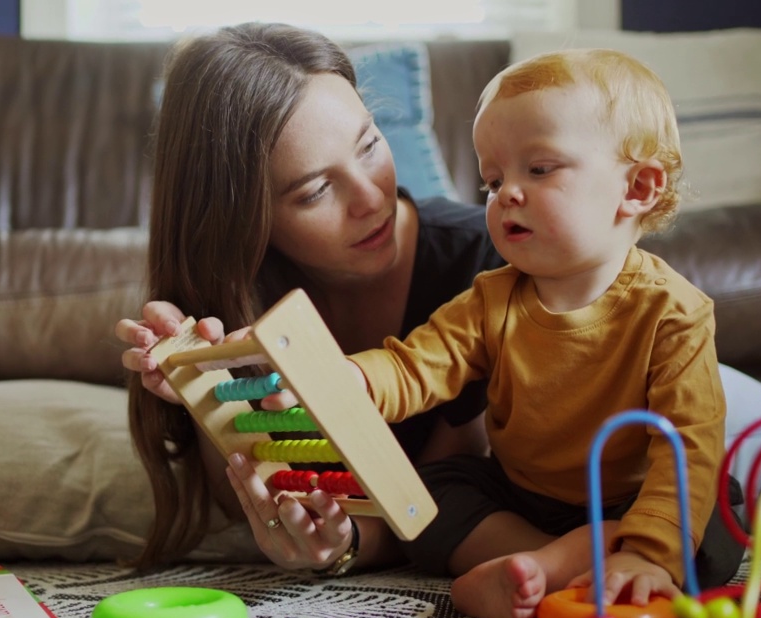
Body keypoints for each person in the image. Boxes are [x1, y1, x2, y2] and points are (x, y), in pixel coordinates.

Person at [310, 46, 743, 618]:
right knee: (428, 494)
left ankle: (579, 560)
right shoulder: (492, 298)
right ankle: (561, 560)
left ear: (637, 188)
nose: (507, 193)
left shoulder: (675, 313)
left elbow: (685, 445)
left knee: (713, 514)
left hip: (632, 499)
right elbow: (419, 364)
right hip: (523, 498)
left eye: (539, 170)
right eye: (493, 179)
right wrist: (353, 378)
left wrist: (650, 550)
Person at [117, 22, 503, 576]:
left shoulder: (487, 266)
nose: (373, 198)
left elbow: (446, 500)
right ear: (243, 219)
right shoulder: (237, 292)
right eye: (315, 191)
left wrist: (349, 546)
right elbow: (241, 502)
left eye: (370, 145)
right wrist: (204, 391)